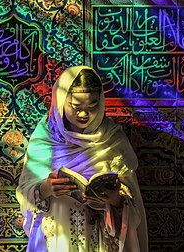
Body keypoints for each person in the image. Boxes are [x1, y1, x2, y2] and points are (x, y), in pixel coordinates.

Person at [16, 66, 148, 251]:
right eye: (76, 107)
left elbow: (132, 200)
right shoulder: (46, 139)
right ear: (61, 102)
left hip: (100, 239)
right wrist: (45, 189)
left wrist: (114, 200)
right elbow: (25, 193)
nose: (84, 114)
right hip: (56, 239)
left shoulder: (112, 139)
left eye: (92, 106)